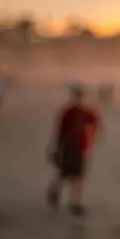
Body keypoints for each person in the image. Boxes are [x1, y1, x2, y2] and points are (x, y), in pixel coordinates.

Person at [47, 84, 101, 216]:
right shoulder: (68, 112)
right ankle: (54, 191)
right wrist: (56, 148)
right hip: (68, 147)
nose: (79, 99)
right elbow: (60, 132)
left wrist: (91, 139)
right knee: (65, 174)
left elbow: (97, 124)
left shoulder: (88, 112)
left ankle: (76, 203)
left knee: (79, 176)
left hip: (81, 148)